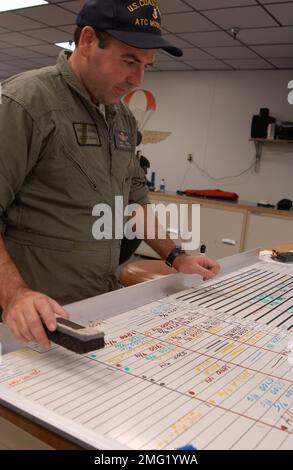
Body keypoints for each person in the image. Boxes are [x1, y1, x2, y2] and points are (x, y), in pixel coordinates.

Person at [0, 0, 220, 348]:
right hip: (32, 319)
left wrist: (178, 257)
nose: (137, 79)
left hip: (97, 305)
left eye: (147, 65)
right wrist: (15, 296)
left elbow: (134, 199)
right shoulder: (25, 103)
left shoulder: (122, 118)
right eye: (129, 60)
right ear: (87, 41)